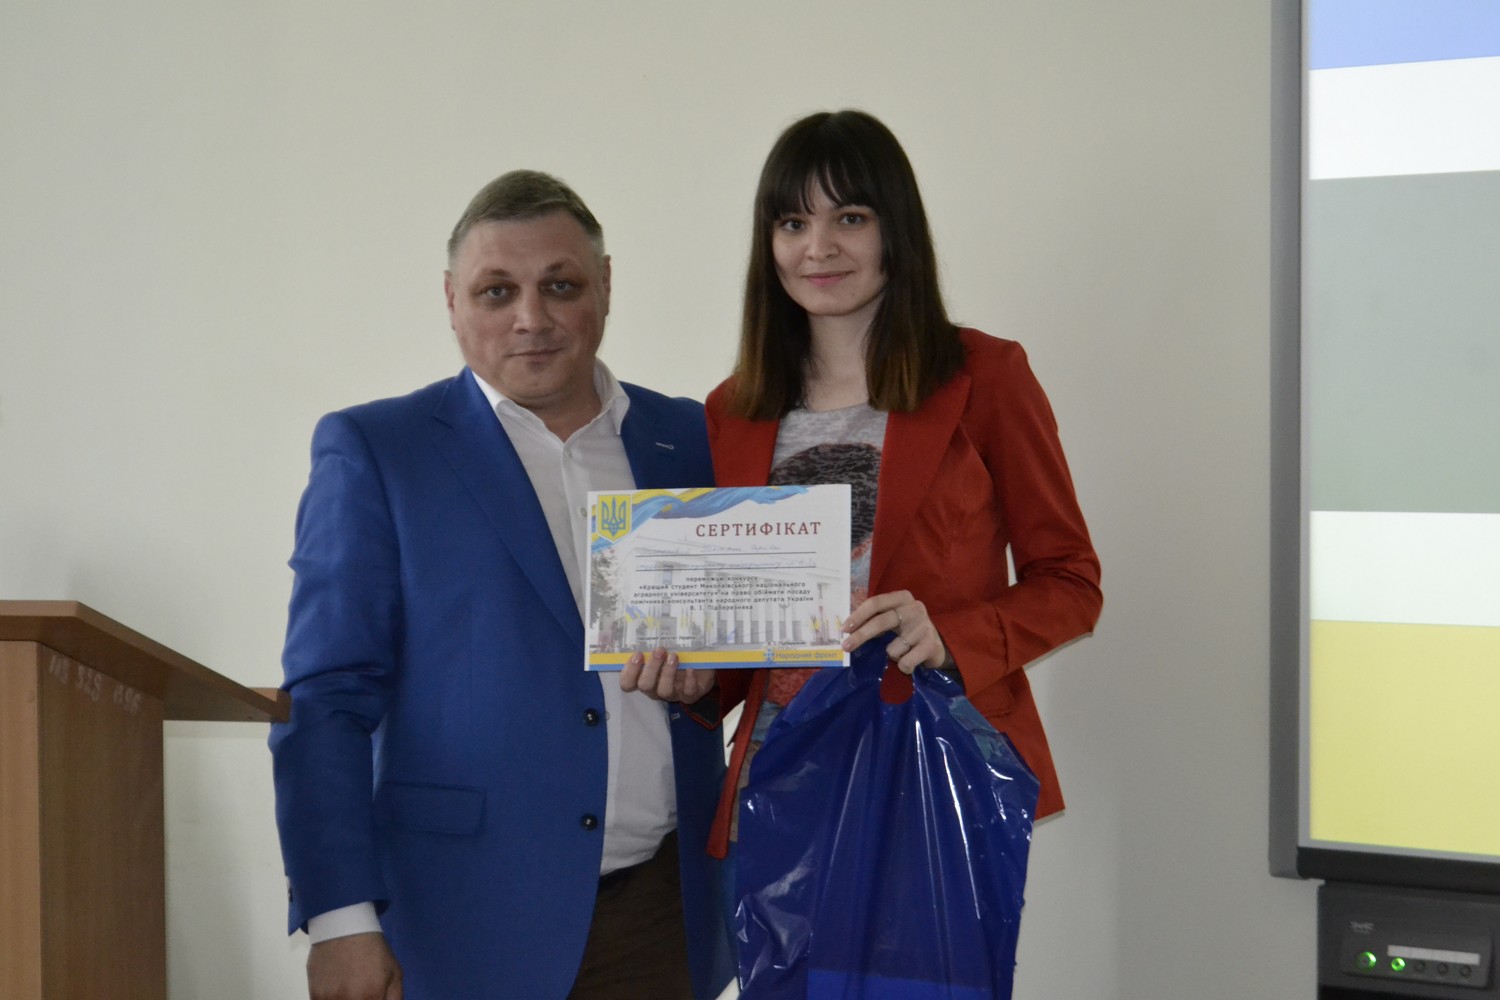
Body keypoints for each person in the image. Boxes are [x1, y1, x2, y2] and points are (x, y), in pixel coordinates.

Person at [269, 170, 733, 1000]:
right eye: (497, 291)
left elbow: (738, 654)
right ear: (452, 301)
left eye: (561, 285)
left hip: (663, 917)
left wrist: (710, 681)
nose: (531, 317)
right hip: (460, 923)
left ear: (606, 285)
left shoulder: (691, 438)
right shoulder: (380, 452)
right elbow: (327, 699)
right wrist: (340, 919)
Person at [631, 109, 1102, 863]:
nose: (818, 247)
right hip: (777, 787)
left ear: (895, 230)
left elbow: (1071, 582)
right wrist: (696, 679)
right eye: (792, 223)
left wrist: (950, 637)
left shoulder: (986, 378)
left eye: (849, 217)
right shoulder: (730, 411)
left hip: (934, 776)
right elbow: (745, 630)